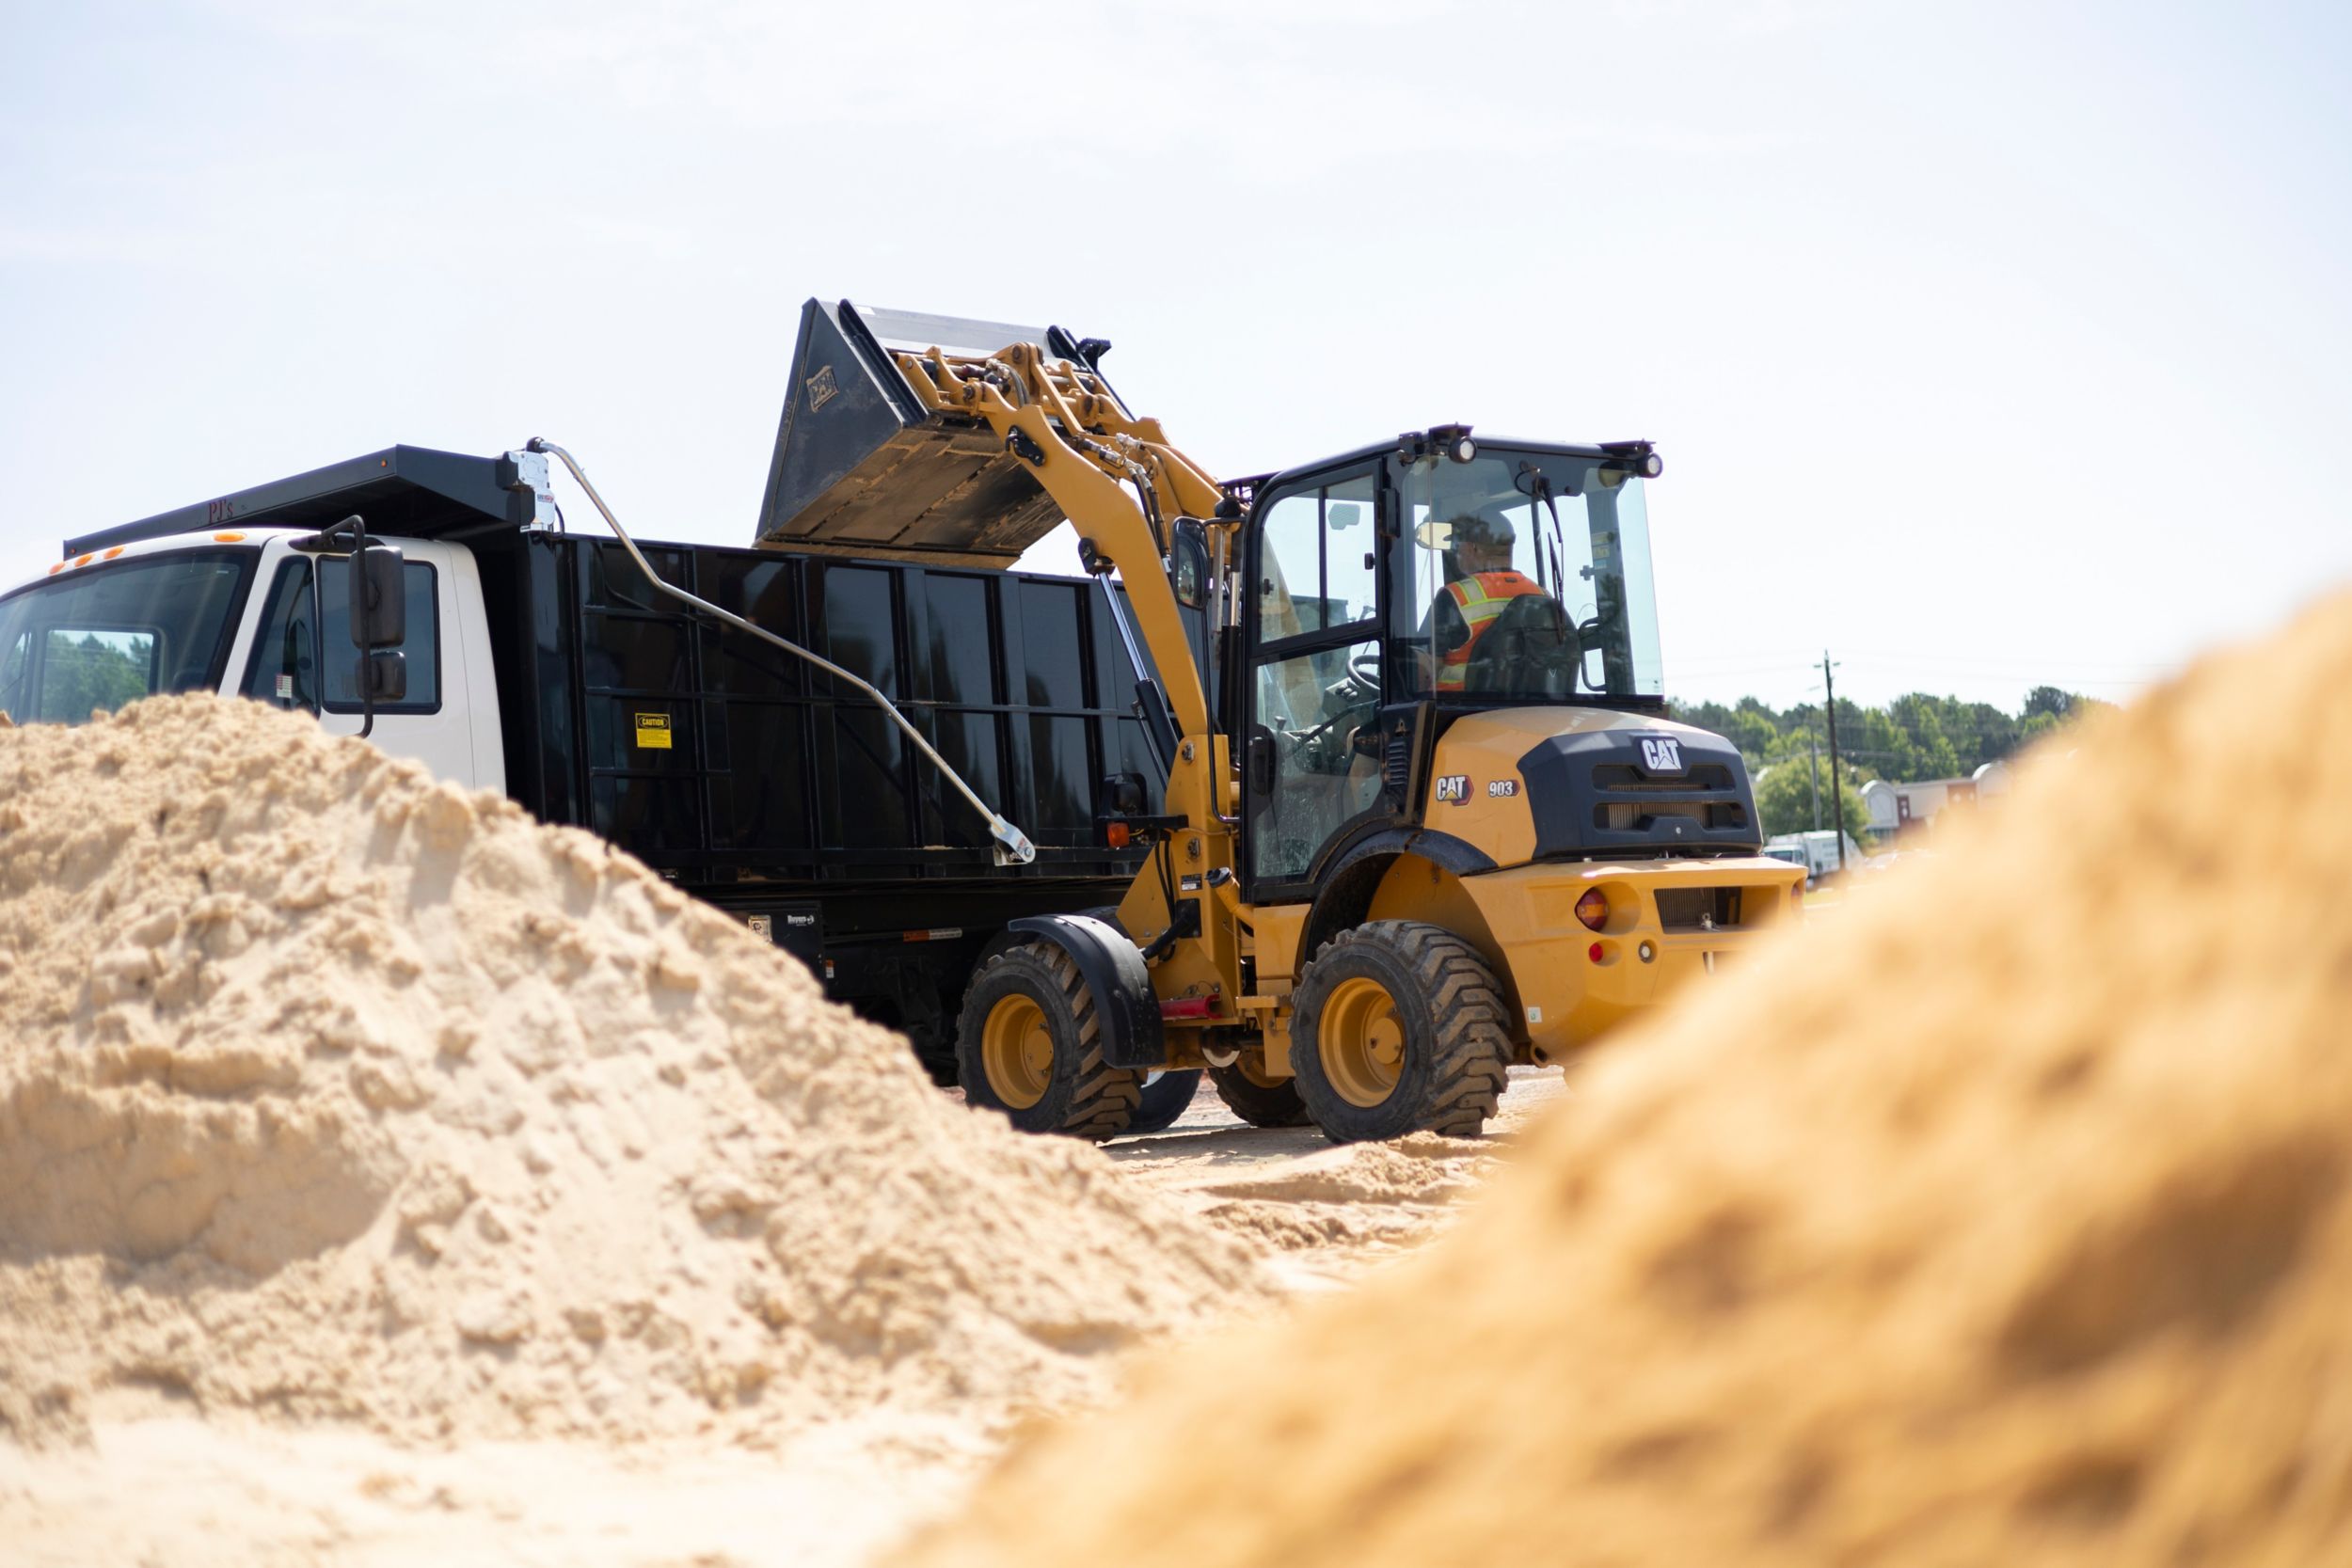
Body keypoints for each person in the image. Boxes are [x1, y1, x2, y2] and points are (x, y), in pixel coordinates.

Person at [1423, 509, 1545, 692]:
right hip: (1529, 710)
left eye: (1458, 546)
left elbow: (1428, 670)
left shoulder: (1455, 596)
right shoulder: (1542, 595)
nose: (1457, 554)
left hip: (1456, 710)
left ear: (1473, 548)